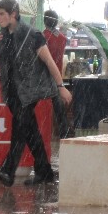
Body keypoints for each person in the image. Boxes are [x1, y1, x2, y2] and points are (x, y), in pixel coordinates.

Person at [0, 0, 71, 187]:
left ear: (13, 14)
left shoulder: (31, 34)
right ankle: (44, 171)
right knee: (27, 130)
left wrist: (61, 86)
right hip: (12, 91)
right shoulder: (3, 36)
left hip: (29, 91)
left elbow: (49, 61)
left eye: (2, 14)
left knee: (22, 129)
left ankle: (8, 170)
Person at [43, 9, 71, 139]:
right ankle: (65, 130)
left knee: (46, 105)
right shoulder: (62, 38)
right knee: (57, 105)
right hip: (58, 73)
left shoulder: (43, 37)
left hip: (45, 74)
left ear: (44, 20)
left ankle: (49, 130)